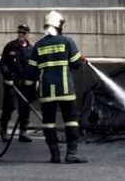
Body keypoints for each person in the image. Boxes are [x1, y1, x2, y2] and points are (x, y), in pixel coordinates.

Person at [27, 10, 87, 164]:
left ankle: (55, 155)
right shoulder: (67, 42)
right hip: (65, 90)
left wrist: (28, 90)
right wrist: (82, 61)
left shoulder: (38, 45)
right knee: (71, 121)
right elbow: (75, 64)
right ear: (59, 25)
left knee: (48, 122)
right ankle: (71, 153)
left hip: (46, 91)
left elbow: (31, 72)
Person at [0, 24, 33, 143]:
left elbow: (33, 67)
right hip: (11, 82)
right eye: (19, 32)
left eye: (23, 33)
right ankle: (3, 129)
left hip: (24, 83)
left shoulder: (31, 49)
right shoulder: (11, 46)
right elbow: (3, 63)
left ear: (28, 34)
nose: (20, 35)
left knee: (25, 107)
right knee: (9, 106)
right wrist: (6, 74)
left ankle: (23, 131)